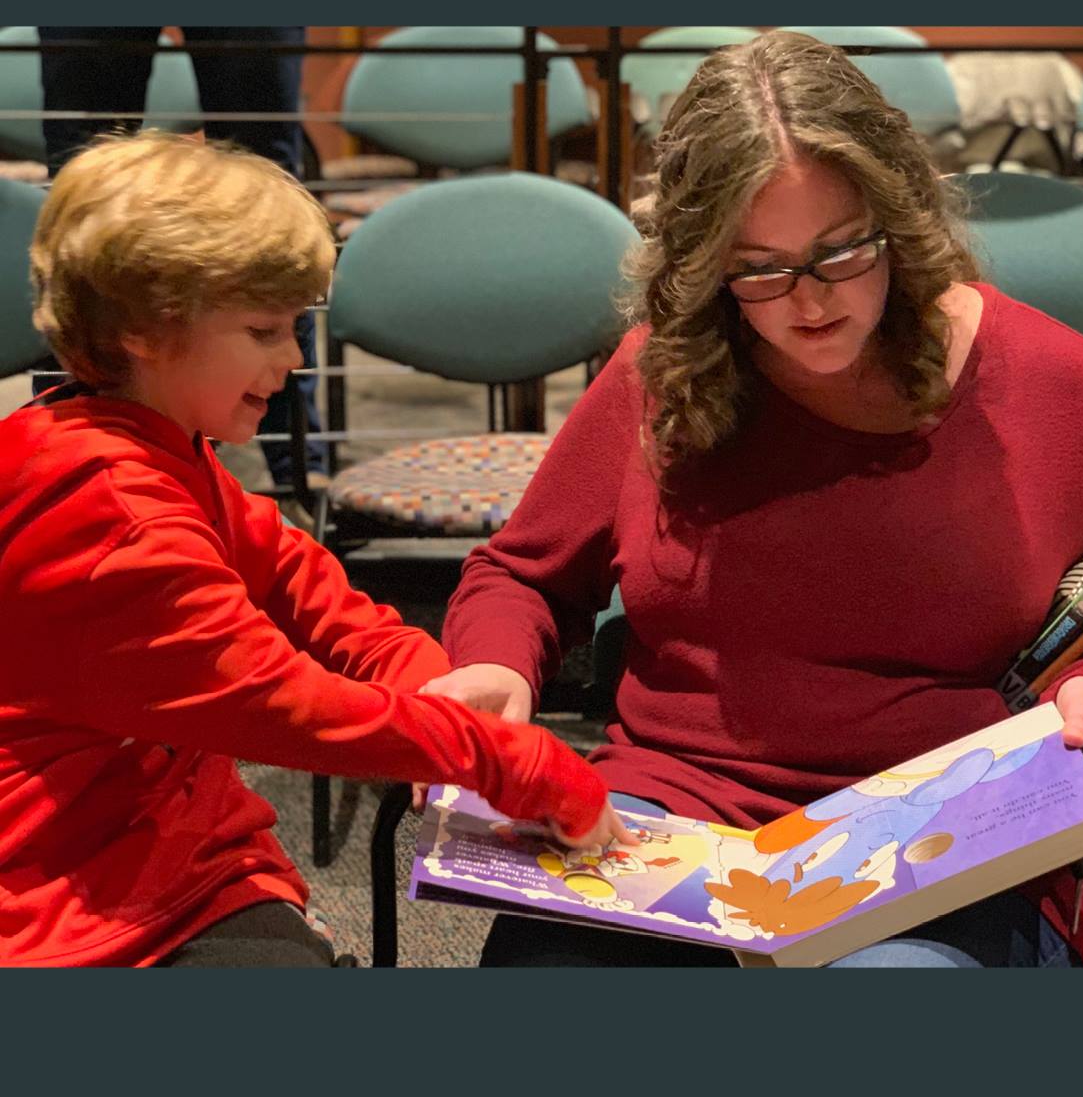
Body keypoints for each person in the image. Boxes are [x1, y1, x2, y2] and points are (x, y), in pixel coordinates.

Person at [422, 30, 1083, 968]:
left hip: (949, 831)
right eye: (760, 267)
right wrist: (498, 665)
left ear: (898, 220)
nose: (810, 302)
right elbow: (522, 575)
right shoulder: (664, 375)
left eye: (842, 253)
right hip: (676, 814)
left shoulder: (1046, 377)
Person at [0, 131, 629, 967]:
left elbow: (298, 576)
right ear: (147, 328)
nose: (294, 358)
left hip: (158, 839)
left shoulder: (139, 441)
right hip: (67, 895)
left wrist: (424, 678)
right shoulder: (112, 518)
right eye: (264, 330)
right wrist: (514, 759)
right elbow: (285, 703)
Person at [32, 26, 325, 491]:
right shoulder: (146, 529)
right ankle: (67, 465)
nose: (296, 357)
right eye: (264, 332)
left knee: (268, 199)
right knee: (82, 190)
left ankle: (298, 477)